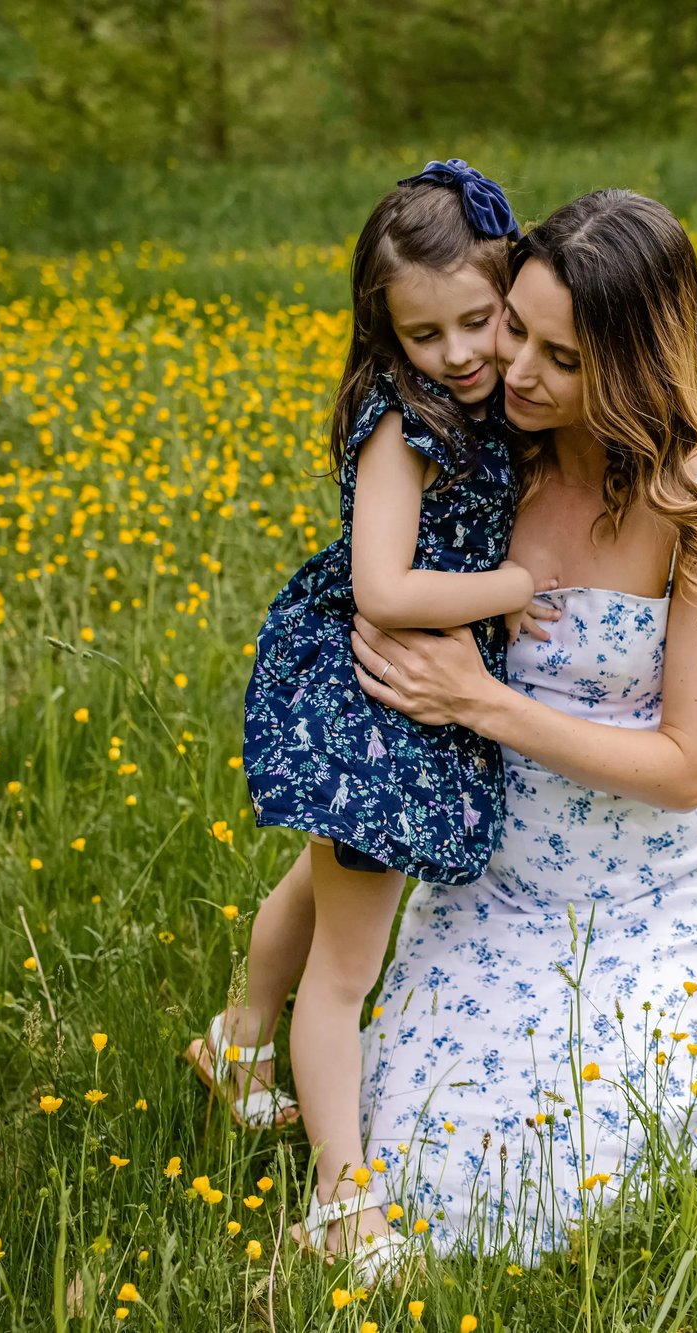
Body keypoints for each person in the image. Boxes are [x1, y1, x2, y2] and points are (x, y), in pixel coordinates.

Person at [346, 188, 697, 1263]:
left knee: (551, 1173)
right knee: (415, 1157)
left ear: (637, 365)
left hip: (642, 892)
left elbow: (689, 766)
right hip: (496, 881)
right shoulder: (498, 457)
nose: (516, 371)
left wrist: (484, 704)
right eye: (516, 328)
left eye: (562, 356)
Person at [183, 160, 549, 1279]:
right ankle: (339, 1199)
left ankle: (238, 1037)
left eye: (479, 321)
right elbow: (383, 585)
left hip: (410, 689)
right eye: (423, 332)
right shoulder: (402, 421)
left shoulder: (478, 403)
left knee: (327, 874)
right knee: (348, 966)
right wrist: (515, 587)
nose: (459, 353)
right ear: (384, 332)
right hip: (376, 694)